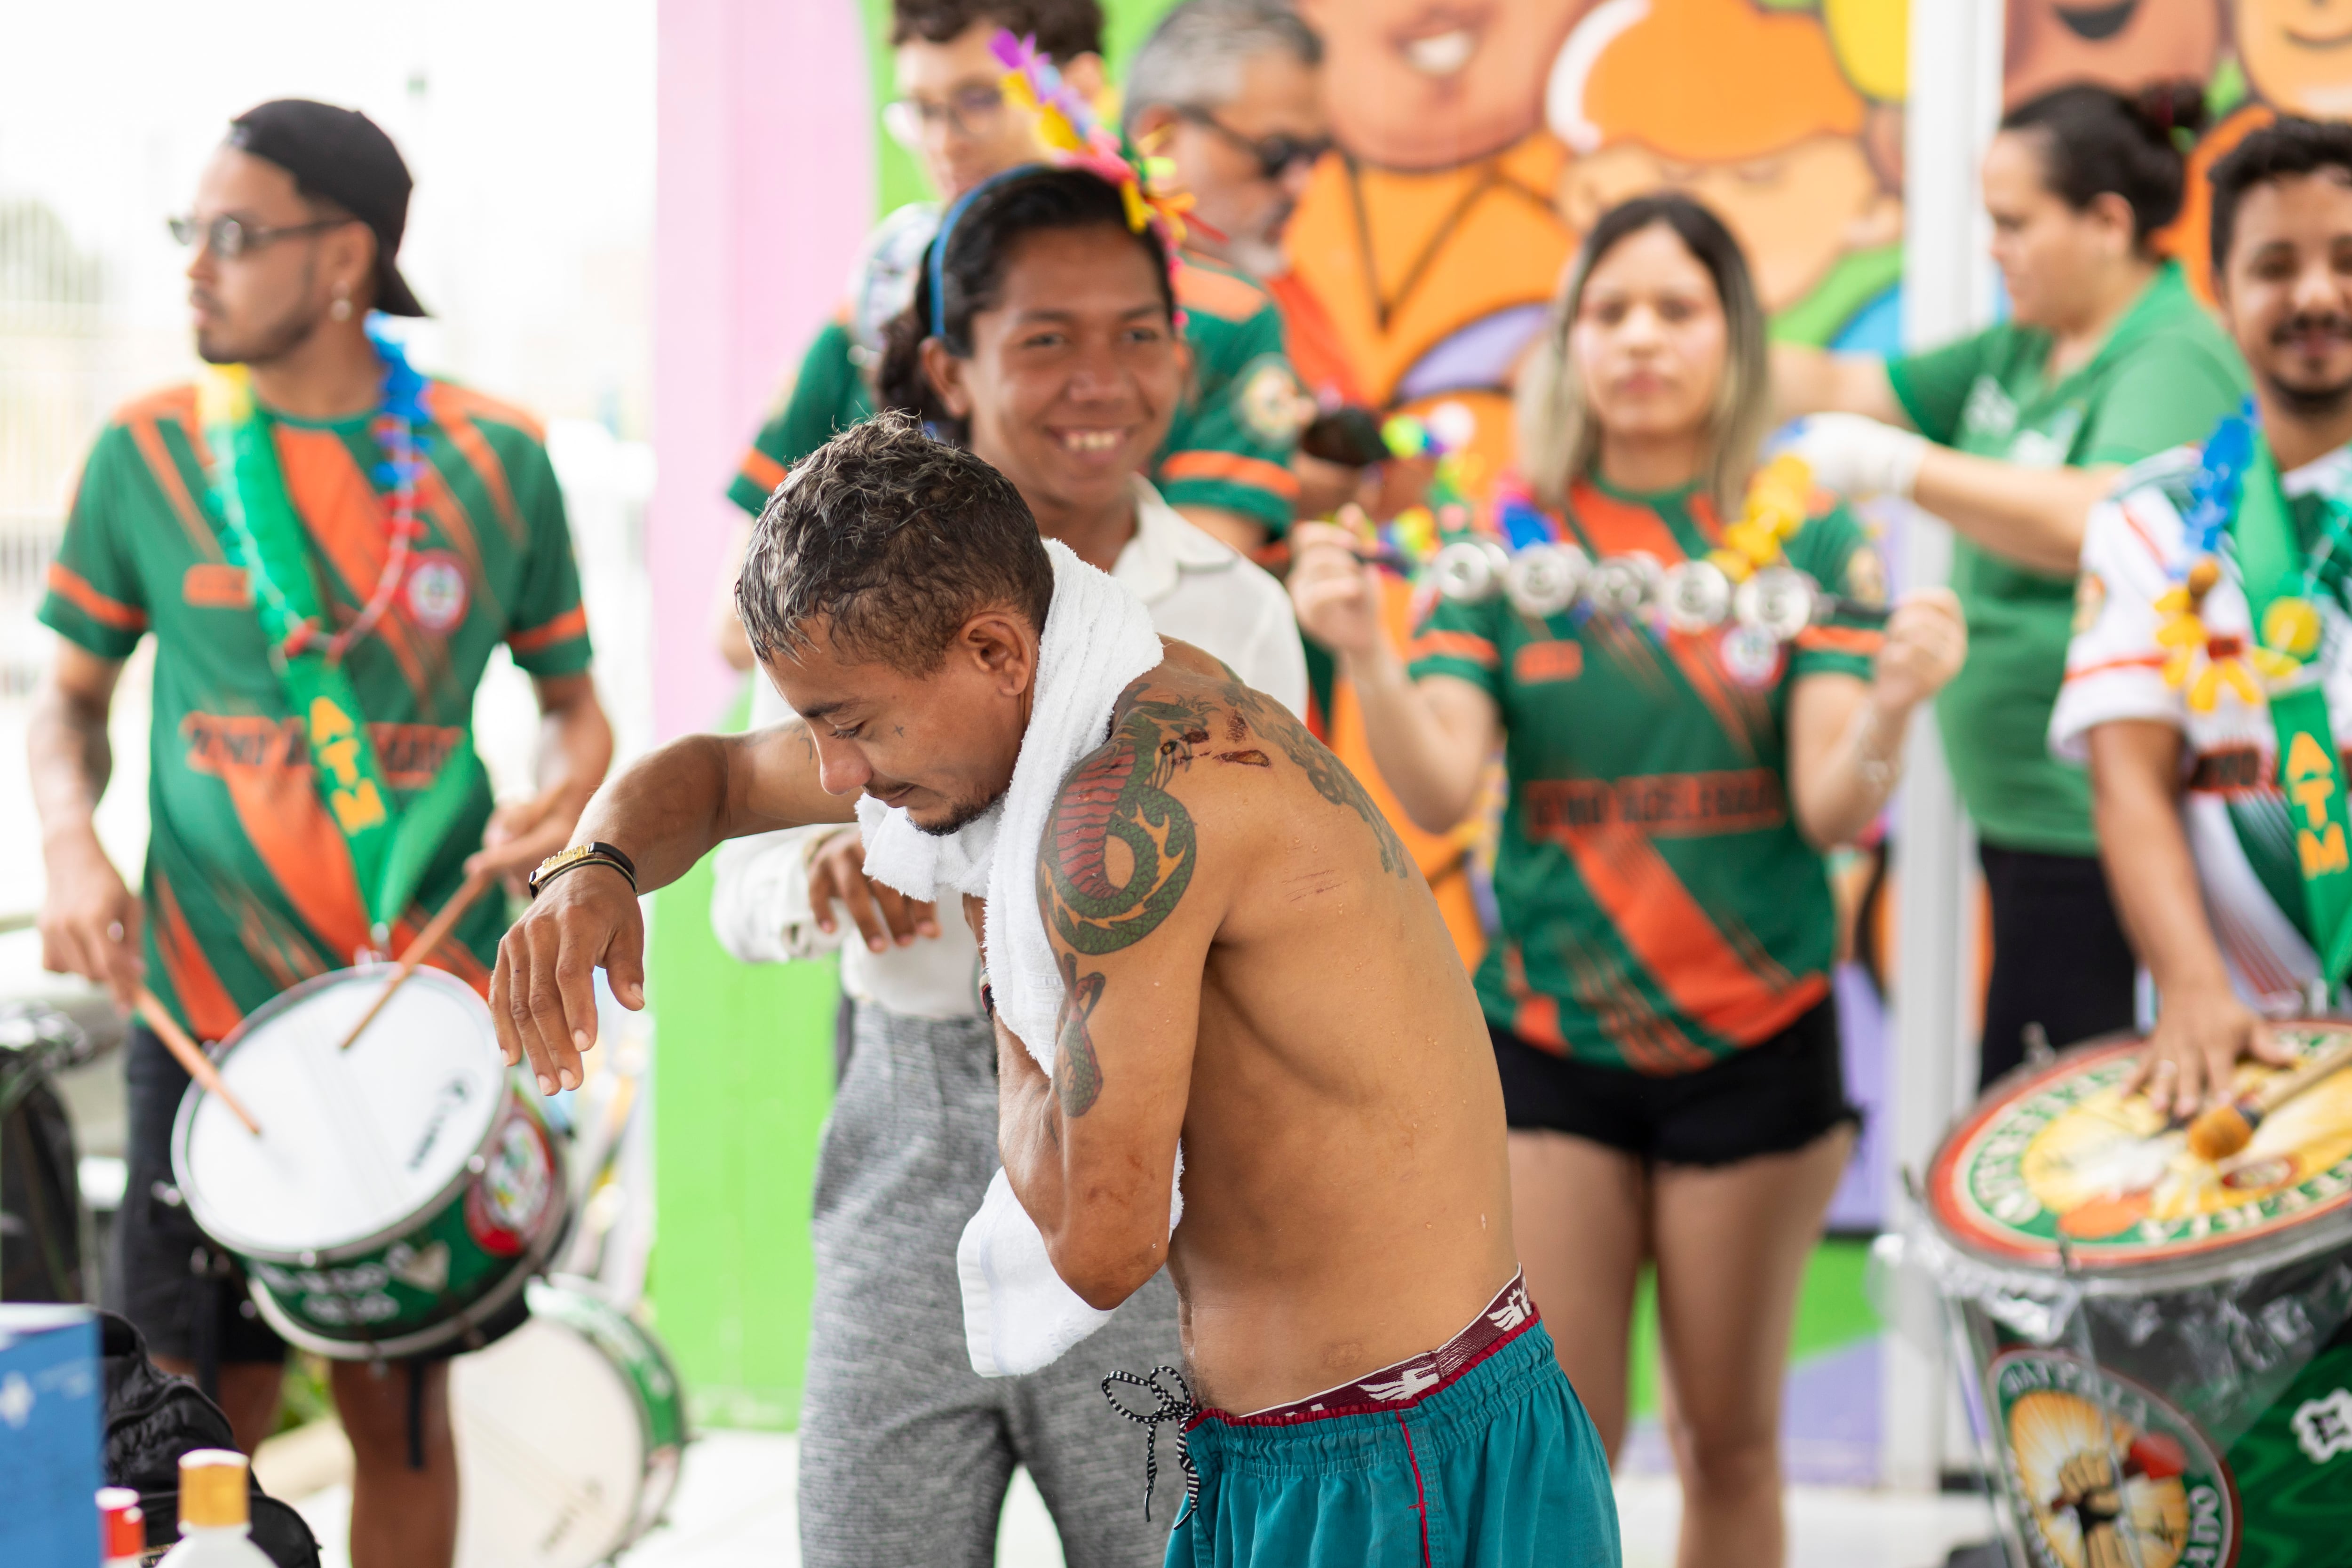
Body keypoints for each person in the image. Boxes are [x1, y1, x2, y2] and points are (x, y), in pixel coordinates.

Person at [497, 410, 1621, 1568]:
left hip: (1390, 1463)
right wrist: (593, 867)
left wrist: (984, 911)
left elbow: (1099, 1245)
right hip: (1346, 1434)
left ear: (997, 652)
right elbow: (722, 777)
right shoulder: (1072, 694)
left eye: (855, 727)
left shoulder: (1128, 816)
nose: (840, 779)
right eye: (817, 728)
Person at [1291, 194, 1965, 1568]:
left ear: (1736, 336)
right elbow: (1434, 786)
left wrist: (1894, 705)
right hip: (1547, 1042)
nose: (1642, 339)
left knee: (1730, 1441)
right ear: (1568, 342)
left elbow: (1833, 800)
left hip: (1756, 1036)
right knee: (1560, 1439)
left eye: (1679, 308)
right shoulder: (1503, 540)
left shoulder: (1806, 539)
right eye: (1609, 311)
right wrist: (1364, 649)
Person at [29, 102, 612, 1568]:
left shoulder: (499, 460)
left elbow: (575, 710)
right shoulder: (147, 453)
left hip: (412, 1001)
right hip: (206, 1012)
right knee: (169, 1416)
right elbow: (69, 706)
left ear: (345, 255)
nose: (195, 270)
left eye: (233, 235)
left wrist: (559, 803)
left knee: (397, 1413)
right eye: (190, 234)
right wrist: (68, 840)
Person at [708, 164, 1305, 1568]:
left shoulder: (1234, 610)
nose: (1101, 380)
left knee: (1171, 1543)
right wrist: (813, 882)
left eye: (1140, 334)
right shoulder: (848, 593)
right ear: (949, 366)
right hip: (908, 1129)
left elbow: (1282, 911)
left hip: (1156, 1152)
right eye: (1045, 339)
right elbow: (738, 870)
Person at [1776, 81, 2249, 1087]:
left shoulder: (2173, 352)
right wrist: (1692, 346)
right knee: (2029, 1088)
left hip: (2100, 829)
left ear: (2108, 223)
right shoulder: (2023, 349)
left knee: (2072, 1116)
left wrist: (1903, 470)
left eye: (2013, 222)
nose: (1993, 247)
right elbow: (1850, 386)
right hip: (2024, 826)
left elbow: (2112, 520)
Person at [2052, 116, 2352, 1114]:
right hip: (2237, 1047)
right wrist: (2191, 989)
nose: (2315, 294)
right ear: (2220, 294)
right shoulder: (2152, 518)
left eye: (2346, 261)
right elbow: (2128, 780)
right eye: (2275, 266)